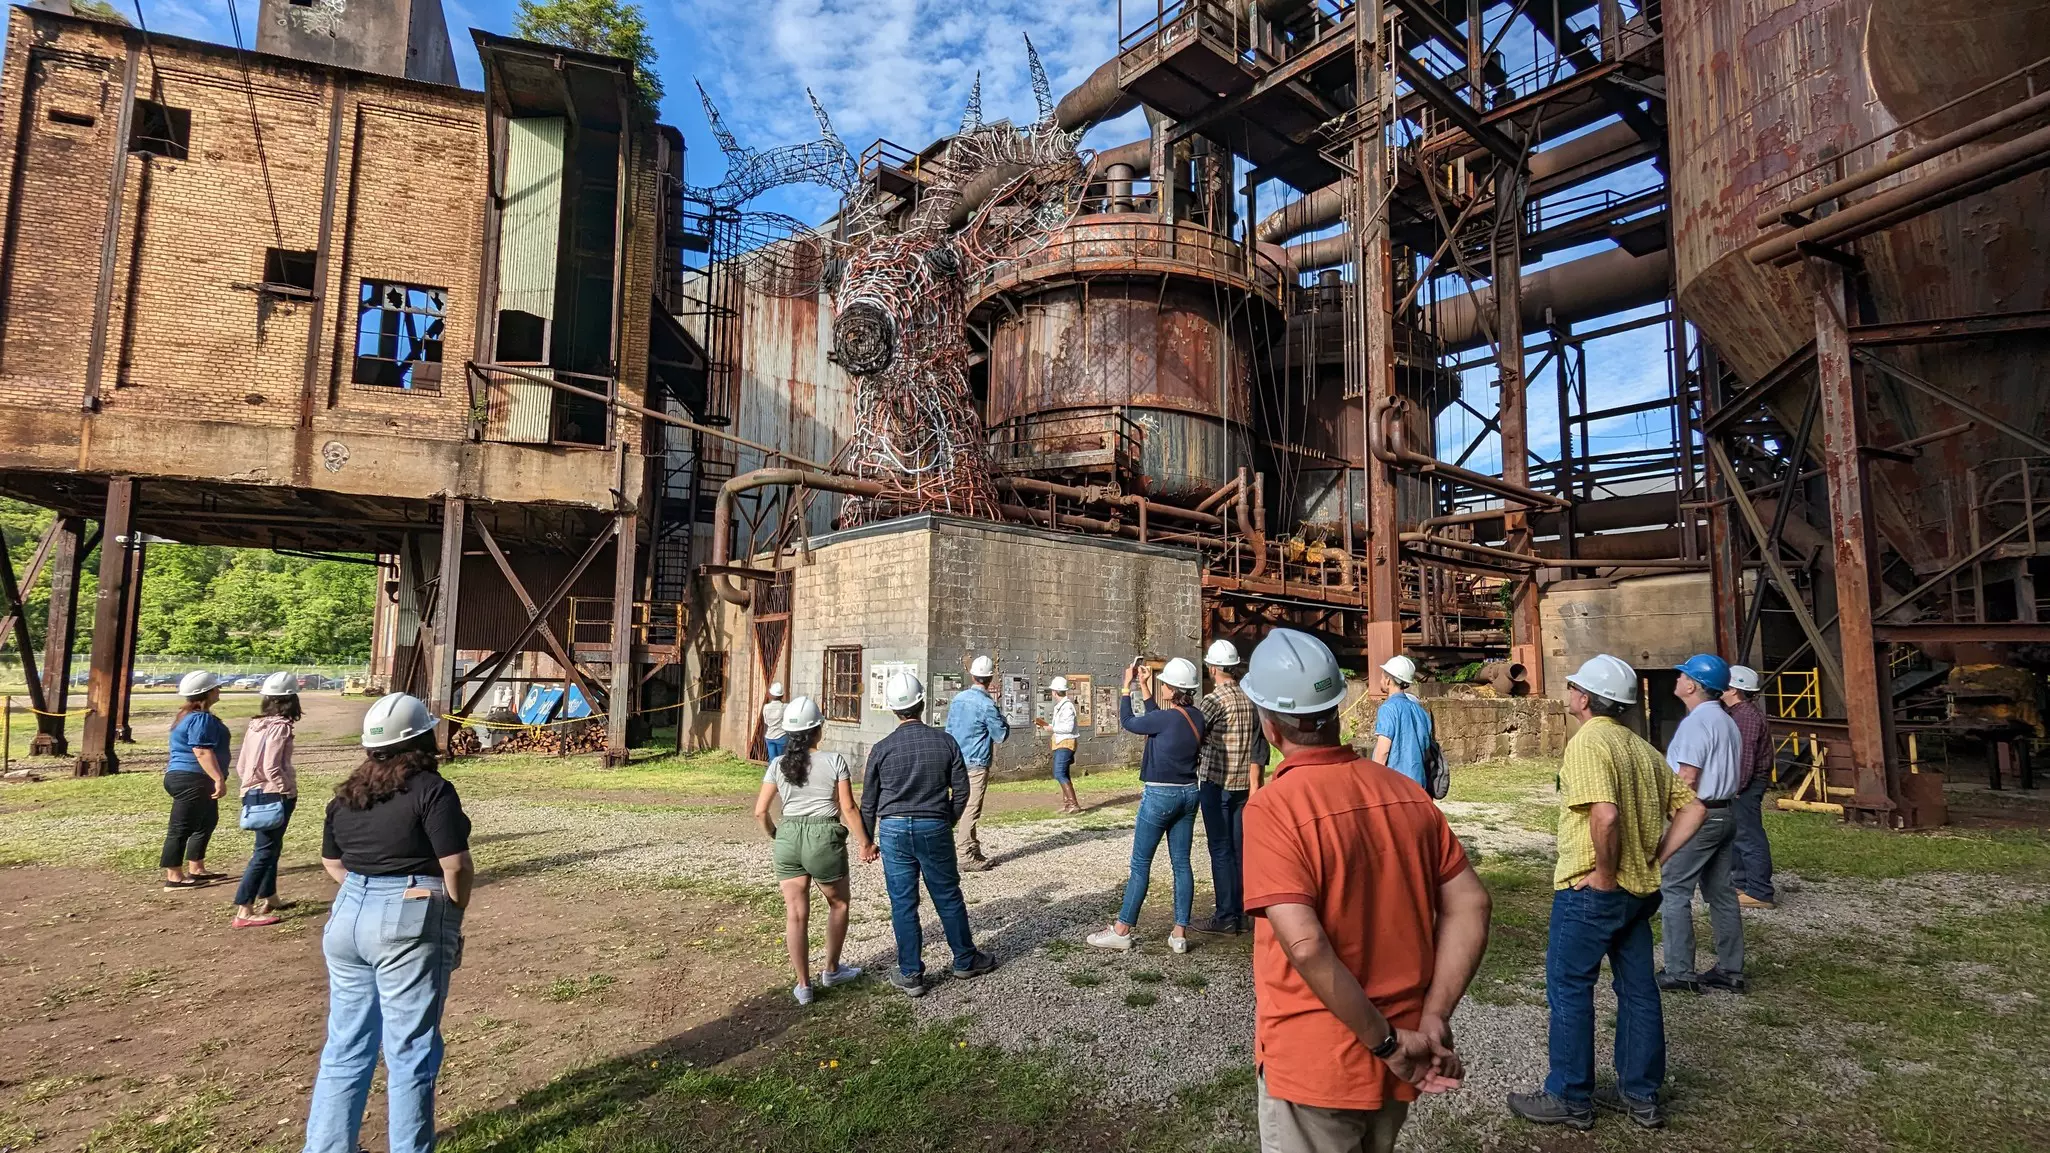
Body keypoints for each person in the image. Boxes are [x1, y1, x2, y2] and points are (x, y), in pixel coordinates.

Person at [1238, 629, 1493, 1153]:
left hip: (1320, 1060)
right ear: (1337, 708)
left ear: (1269, 723)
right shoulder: (1407, 795)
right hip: (1407, 1044)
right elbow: (1472, 902)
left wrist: (1386, 1044)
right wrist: (1433, 1017)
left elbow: (1305, 945)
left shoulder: (1273, 808)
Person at [1508, 654, 1707, 1131]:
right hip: (1638, 893)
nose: (1570, 693)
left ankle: (1570, 1096)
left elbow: (1606, 814)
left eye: (1573, 687)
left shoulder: (1587, 743)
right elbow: (1694, 809)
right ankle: (1640, 1094)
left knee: (1569, 988)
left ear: (1584, 698)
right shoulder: (1640, 748)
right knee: (1638, 991)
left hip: (1593, 893)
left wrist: (1603, 873)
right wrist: (1656, 858)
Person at [303, 693, 472, 1153]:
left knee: (346, 1044)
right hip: (409, 911)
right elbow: (455, 864)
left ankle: (327, 1146)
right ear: (422, 739)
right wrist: (452, 913)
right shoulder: (432, 790)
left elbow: (331, 862)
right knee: (410, 1047)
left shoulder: (347, 794)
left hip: (347, 915)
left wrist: (365, 893)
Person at [860, 671, 997, 996]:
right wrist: (945, 820)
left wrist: (867, 840)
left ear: (893, 708)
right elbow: (962, 791)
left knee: (903, 902)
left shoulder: (881, 749)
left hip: (893, 828)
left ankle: (910, 973)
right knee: (947, 895)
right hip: (933, 824)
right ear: (922, 703)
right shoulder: (945, 742)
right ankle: (965, 959)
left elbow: (868, 802)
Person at [1087, 656, 1210, 954]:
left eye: (1164, 683)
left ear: (1172, 689)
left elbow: (1130, 722)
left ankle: (1122, 930)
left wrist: (1126, 686)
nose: (1161, 686)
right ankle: (1179, 934)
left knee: (1141, 864)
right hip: (1189, 793)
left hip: (1159, 795)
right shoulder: (1195, 718)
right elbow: (1159, 720)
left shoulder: (1166, 719)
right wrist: (1144, 686)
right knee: (1181, 863)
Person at [754, 695, 869, 1005]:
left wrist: (776, 835)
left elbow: (760, 811)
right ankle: (832, 969)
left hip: (788, 836)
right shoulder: (834, 761)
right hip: (823, 836)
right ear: (818, 729)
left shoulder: (777, 765)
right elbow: (848, 807)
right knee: (838, 904)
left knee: (795, 915)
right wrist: (865, 843)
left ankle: (803, 985)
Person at [1659, 654, 1746, 994]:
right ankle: (1730, 970)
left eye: (1683, 675)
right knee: (1722, 894)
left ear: (1693, 685)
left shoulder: (1696, 723)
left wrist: (1675, 815)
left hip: (1701, 815)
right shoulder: (1727, 721)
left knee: (1673, 887)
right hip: (1725, 812)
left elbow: (1688, 777)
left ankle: (1679, 970)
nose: (1678, 679)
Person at [1195, 638, 1268, 936]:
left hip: (1216, 783)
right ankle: (1242, 912)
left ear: (1213, 669)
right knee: (1239, 849)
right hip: (1243, 786)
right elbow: (1259, 745)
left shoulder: (1212, 701)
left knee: (1220, 849)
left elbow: (1194, 734)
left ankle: (1225, 916)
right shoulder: (1251, 699)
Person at [231, 671, 302, 927]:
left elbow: (241, 764)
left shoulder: (255, 725)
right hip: (274, 793)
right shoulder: (281, 727)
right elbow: (272, 766)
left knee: (271, 846)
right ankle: (244, 909)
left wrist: (250, 786)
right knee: (264, 852)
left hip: (252, 791)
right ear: (291, 700)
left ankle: (270, 896)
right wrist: (286, 789)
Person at [160, 670, 231, 891]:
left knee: (206, 822)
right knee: (181, 827)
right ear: (207, 692)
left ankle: (197, 868)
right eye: (216, 688)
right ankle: (174, 877)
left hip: (192, 778)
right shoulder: (200, 719)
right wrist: (218, 778)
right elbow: (201, 750)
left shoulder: (188, 716)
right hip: (192, 778)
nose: (219, 690)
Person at [942, 655, 1009, 871]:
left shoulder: (958, 699)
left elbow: (949, 730)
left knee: (959, 803)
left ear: (972, 676)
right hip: (976, 763)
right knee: (971, 808)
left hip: (954, 760)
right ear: (990, 678)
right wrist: (1002, 717)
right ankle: (965, 855)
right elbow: (1000, 735)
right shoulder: (987, 705)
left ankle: (972, 848)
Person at [1722, 665, 1778, 909]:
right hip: (1743, 784)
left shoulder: (1745, 717)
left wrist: (1736, 787)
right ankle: (1743, 883)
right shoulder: (1740, 713)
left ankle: (1759, 891)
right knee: (1738, 834)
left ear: (1734, 689)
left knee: (1749, 836)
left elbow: (1744, 757)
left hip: (1745, 785)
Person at [1372, 655, 1435, 791]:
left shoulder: (1388, 709)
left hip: (1396, 786)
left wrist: (1374, 783)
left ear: (1388, 680)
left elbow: (1382, 752)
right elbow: (1427, 750)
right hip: (1419, 785)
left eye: (1382, 677)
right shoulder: (1420, 711)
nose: (1381, 680)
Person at [1033, 675, 1081, 814]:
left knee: (1059, 773)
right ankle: (1068, 804)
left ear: (1054, 692)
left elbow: (1068, 728)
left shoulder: (1067, 707)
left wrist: (1051, 728)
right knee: (1063, 773)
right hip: (1061, 742)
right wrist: (1047, 725)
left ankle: (1073, 804)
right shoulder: (1062, 706)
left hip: (1065, 743)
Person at [761, 682, 787, 763]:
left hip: (769, 736)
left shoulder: (766, 707)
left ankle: (772, 771)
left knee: (772, 760)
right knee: (781, 760)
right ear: (782, 695)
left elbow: (766, 722)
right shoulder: (785, 707)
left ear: (771, 695)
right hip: (781, 736)